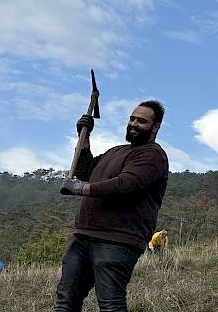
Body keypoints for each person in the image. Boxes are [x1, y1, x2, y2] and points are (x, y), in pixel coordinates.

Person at [55, 100, 169, 312]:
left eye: (142, 121)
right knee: (66, 301)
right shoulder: (115, 151)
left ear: (156, 127)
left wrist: (80, 189)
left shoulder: (152, 155)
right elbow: (85, 169)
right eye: (132, 118)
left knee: (110, 305)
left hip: (117, 240)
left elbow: (126, 185)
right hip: (83, 236)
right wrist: (84, 137)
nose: (134, 124)